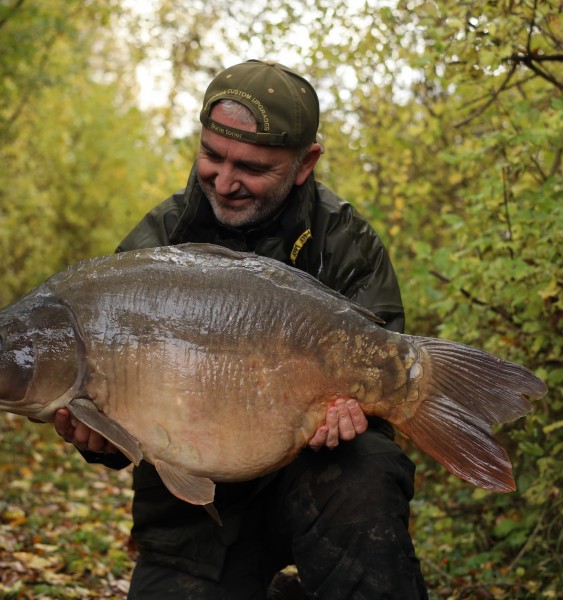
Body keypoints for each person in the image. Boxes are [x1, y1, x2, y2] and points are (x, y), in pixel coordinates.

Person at [51, 60, 427, 599]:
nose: (224, 183)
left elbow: (381, 401)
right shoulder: (159, 241)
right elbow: (118, 415)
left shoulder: (345, 243)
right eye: (211, 156)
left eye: (251, 167)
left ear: (305, 163)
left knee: (365, 468)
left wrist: (353, 419)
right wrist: (99, 442)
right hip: (196, 523)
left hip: (318, 486)